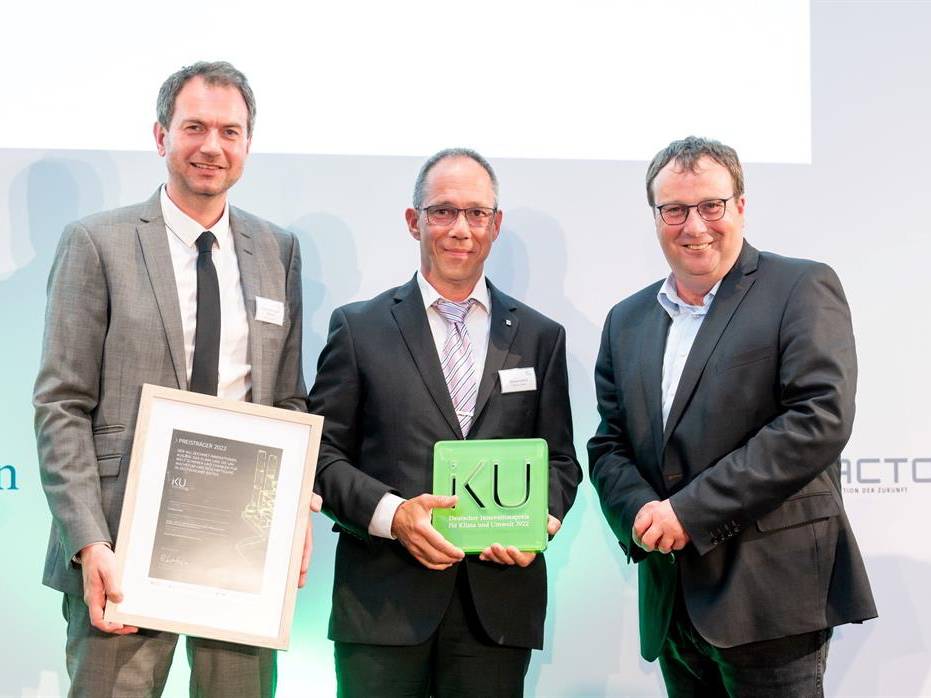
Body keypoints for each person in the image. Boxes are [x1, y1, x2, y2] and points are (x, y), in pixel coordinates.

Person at [34, 61, 310, 698]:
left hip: (241, 552)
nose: (212, 146)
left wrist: (293, 512)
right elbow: (61, 405)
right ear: (161, 137)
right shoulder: (95, 243)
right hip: (118, 545)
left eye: (230, 132)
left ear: (247, 144)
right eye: (194, 127)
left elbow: (287, 401)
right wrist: (88, 543)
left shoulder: (278, 250)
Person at [588, 136, 877, 697]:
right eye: (674, 209)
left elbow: (819, 418)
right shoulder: (627, 319)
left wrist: (688, 514)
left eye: (710, 206)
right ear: (655, 217)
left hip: (771, 599)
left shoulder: (799, 287)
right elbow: (610, 443)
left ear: (740, 205)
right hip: (672, 602)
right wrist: (642, 513)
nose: (694, 225)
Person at [308, 148, 581, 697]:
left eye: (477, 213)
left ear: (495, 225)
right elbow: (320, 455)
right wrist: (394, 515)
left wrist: (539, 522)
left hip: (497, 607)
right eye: (443, 211)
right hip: (382, 604)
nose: (461, 228)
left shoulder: (538, 336)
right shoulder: (360, 329)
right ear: (414, 221)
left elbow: (561, 462)